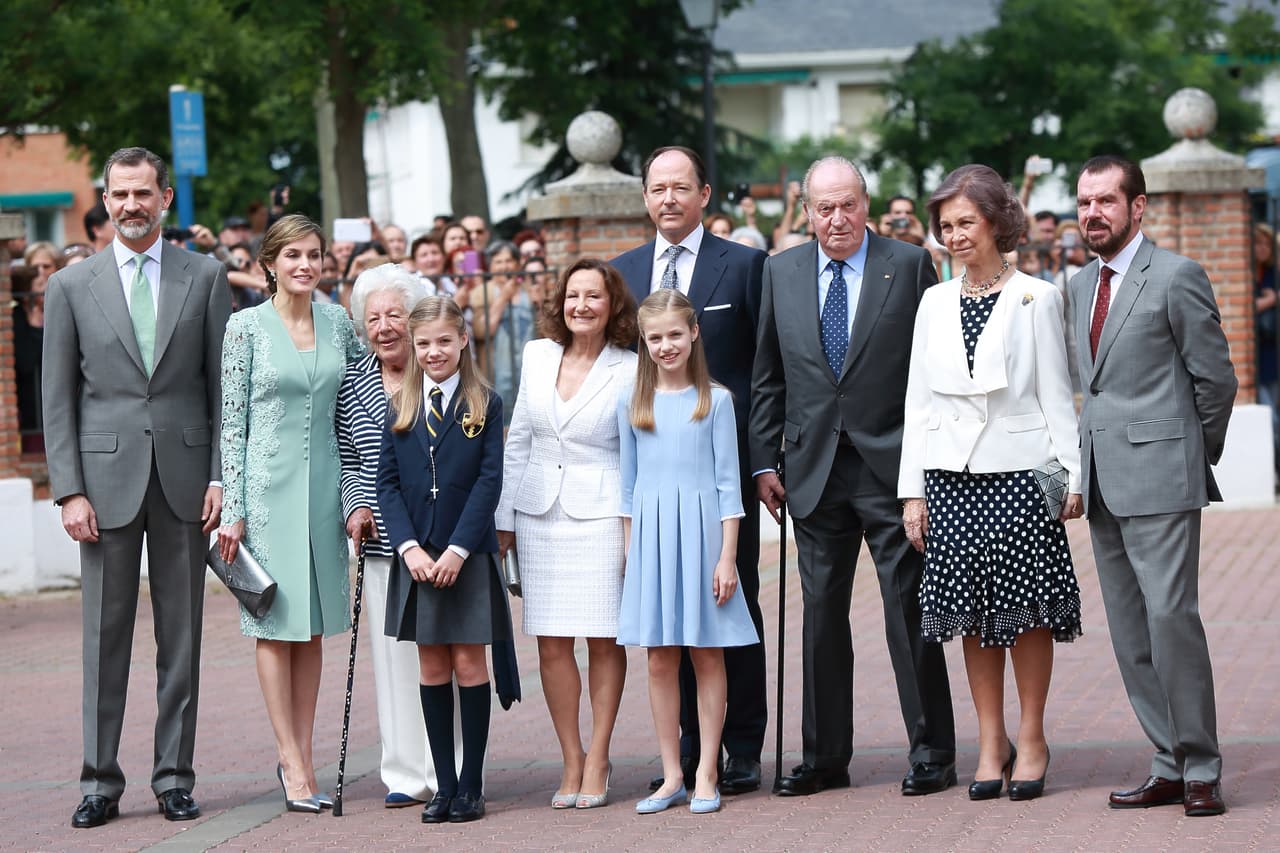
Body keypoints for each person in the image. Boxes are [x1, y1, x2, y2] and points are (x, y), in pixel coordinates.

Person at [751, 155, 956, 797]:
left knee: (908, 609)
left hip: (892, 468)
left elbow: (933, 371)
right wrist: (763, 459)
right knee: (820, 616)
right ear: (806, 210)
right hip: (810, 470)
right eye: (823, 208)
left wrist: (927, 467)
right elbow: (768, 375)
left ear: (866, 204)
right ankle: (823, 758)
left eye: (848, 205)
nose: (837, 219)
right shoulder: (779, 270)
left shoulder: (910, 264)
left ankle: (932, 751)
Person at [42, 146, 231, 828]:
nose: (130, 205)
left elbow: (222, 388)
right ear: (106, 197)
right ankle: (99, 782)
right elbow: (56, 398)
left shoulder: (206, 276)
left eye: (142, 193)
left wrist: (220, 476)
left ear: (165, 199)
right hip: (104, 483)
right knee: (104, 636)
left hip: (185, 481)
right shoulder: (70, 286)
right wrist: (69, 490)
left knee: (181, 637)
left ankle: (174, 776)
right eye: (119, 194)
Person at [899, 164, 1084, 802]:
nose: (954, 236)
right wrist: (913, 491)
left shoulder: (1038, 296)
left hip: (1021, 477)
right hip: (952, 481)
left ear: (997, 222)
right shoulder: (933, 302)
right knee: (973, 618)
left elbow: (1059, 396)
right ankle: (991, 741)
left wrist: (1072, 476)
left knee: (1028, 613)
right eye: (945, 226)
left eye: (966, 223)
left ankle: (1031, 738)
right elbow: (918, 404)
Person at [1068, 156, 1236, 817]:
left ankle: (1201, 766)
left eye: (1106, 200)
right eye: (1084, 202)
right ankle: (1166, 760)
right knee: (1131, 633)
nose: (1092, 214)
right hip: (1104, 482)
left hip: (1163, 478)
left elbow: (1215, 378)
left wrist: (1190, 455)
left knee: (1171, 622)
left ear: (1139, 207)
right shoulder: (1079, 284)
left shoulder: (1176, 275)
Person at [612, 145, 768, 796]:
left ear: (705, 194)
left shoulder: (746, 266)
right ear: (645, 197)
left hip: (717, 472)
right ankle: (679, 755)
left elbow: (764, 369)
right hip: (652, 473)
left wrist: (763, 463)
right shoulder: (622, 273)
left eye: (681, 187)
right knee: (665, 630)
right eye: (657, 188)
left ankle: (740, 747)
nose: (668, 198)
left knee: (730, 610)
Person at [216, 214, 363, 814]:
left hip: (327, 490)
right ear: (268, 265)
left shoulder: (337, 321)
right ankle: (290, 763)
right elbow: (232, 421)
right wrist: (234, 508)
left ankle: (306, 754)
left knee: (313, 627)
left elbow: (360, 398)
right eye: (293, 255)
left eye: (314, 255)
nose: (306, 265)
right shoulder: (244, 327)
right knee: (276, 626)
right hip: (267, 493)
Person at [496, 258, 638, 810]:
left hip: (602, 515)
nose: (582, 305)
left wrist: (633, 529)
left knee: (604, 639)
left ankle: (600, 757)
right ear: (560, 302)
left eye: (594, 297)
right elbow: (519, 440)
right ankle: (571, 758)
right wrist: (504, 520)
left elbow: (634, 452)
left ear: (612, 306)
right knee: (552, 643)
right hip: (538, 515)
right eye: (574, 295)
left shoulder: (628, 366)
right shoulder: (537, 355)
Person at [618, 289, 759, 815]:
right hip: (652, 538)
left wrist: (727, 558)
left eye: (675, 334)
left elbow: (729, 487)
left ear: (694, 332)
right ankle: (672, 772)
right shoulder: (632, 402)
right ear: (644, 342)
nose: (665, 345)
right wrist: (632, 553)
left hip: (702, 538)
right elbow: (627, 488)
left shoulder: (716, 401)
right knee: (658, 657)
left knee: (706, 651)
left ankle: (707, 770)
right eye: (654, 337)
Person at [376, 295, 513, 825]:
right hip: (418, 559)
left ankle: (472, 784)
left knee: (468, 664)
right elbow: (386, 485)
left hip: (466, 555)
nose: (433, 352)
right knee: (432, 666)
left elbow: (488, 482)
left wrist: (457, 549)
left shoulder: (485, 403)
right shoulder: (401, 406)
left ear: (463, 341)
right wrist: (408, 547)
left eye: (443, 342)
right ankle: (444, 783)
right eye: (423, 343)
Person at [337, 263, 452, 808]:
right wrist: (358, 508)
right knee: (392, 657)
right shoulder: (354, 382)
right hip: (385, 546)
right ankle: (405, 772)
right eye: (373, 316)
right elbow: (350, 460)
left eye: (395, 314)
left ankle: (445, 767)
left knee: (442, 653)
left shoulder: (440, 372)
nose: (384, 326)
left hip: (439, 542)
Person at [1253, 222, 1279, 472]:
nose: (1261, 248)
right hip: (1258, 358)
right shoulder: (1247, 274)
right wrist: (1270, 300)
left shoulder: (1274, 274)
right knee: (1271, 417)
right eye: (1257, 243)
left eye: (1265, 243)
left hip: (1275, 354)